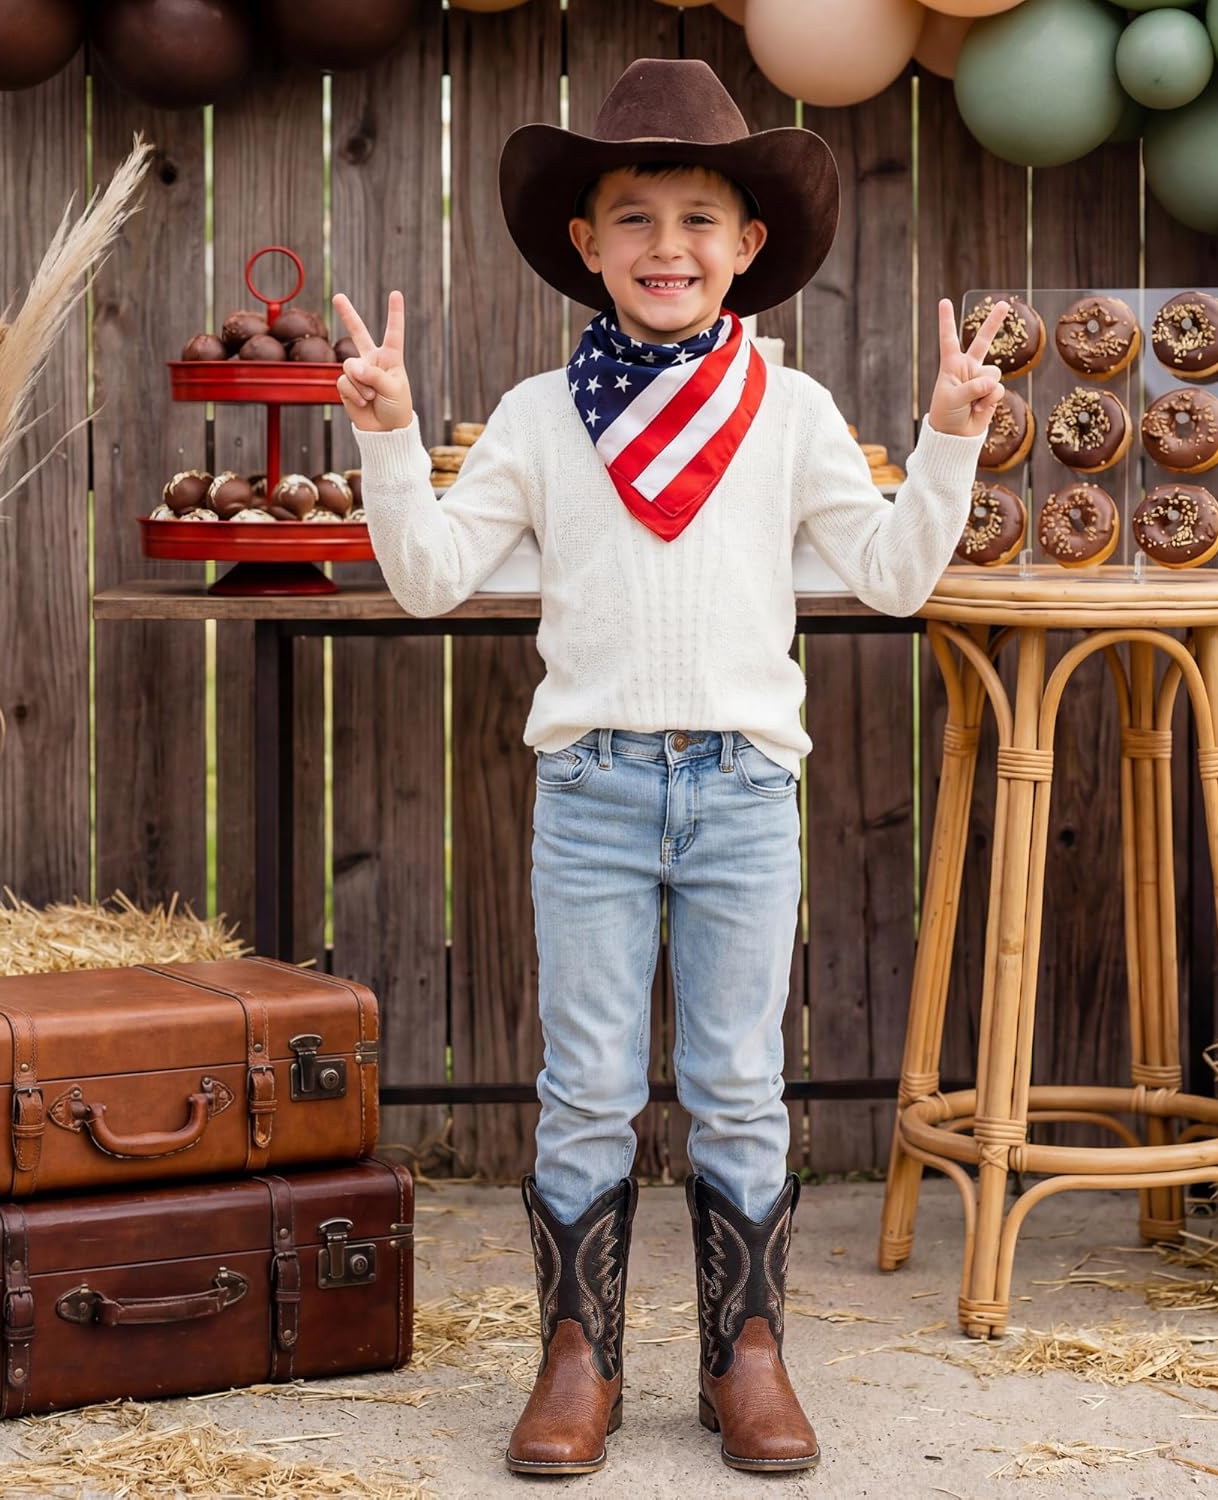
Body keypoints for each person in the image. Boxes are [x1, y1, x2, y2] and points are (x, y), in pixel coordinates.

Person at [333, 56, 1007, 1479]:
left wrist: (946, 440)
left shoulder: (791, 411)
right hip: (592, 788)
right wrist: (389, 431)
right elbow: (430, 582)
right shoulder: (534, 417)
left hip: (746, 792)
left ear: (749, 248)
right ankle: (578, 1357)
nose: (667, 247)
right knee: (584, 1087)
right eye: (632, 217)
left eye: (699, 218)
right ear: (585, 245)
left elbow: (891, 583)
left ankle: (744, 1355)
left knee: (741, 1084)